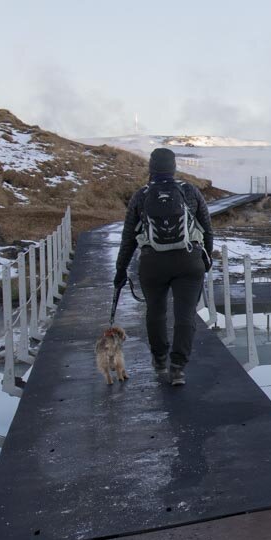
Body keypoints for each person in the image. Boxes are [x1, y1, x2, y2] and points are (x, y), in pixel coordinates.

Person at [114, 148, 214, 386]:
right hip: (189, 261)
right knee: (185, 314)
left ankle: (159, 360)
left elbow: (128, 237)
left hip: (152, 263)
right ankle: (178, 368)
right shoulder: (190, 191)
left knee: (156, 312)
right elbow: (207, 229)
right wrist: (205, 260)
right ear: (174, 166)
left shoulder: (141, 195)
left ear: (151, 167)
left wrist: (120, 271)